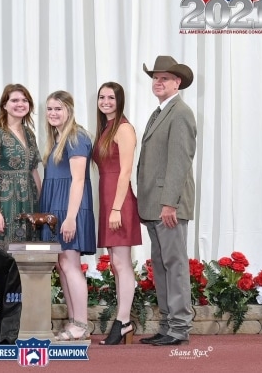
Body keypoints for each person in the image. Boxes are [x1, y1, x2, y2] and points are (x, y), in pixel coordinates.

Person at [136, 55, 197, 346]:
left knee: (174, 264)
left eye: (165, 78)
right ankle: (167, 324)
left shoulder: (181, 112)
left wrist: (170, 202)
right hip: (155, 204)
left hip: (168, 206)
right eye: (155, 78)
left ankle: (180, 327)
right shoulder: (160, 111)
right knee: (161, 265)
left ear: (178, 82)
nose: (158, 82)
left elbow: (180, 161)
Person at [39, 90, 96, 341]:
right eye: (50, 109)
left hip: (69, 209)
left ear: (69, 110)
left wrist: (71, 217)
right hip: (56, 208)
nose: (53, 113)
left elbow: (78, 180)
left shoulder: (76, 137)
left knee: (71, 265)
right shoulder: (58, 138)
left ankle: (81, 323)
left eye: (58, 108)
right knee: (63, 265)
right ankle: (74, 322)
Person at [92, 82, 142, 345]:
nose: (106, 101)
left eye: (111, 97)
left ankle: (123, 322)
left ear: (120, 100)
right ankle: (123, 321)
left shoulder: (123, 128)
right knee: (115, 263)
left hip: (119, 202)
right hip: (108, 197)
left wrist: (115, 208)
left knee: (121, 263)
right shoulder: (106, 128)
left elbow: (125, 171)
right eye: (102, 97)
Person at [0, 84, 42, 250]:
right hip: (5, 203)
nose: (20, 104)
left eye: (24, 100)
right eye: (14, 100)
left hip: (29, 202)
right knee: (5, 253)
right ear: (4, 105)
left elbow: (34, 170)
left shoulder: (29, 133)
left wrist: (41, 204)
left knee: (29, 253)